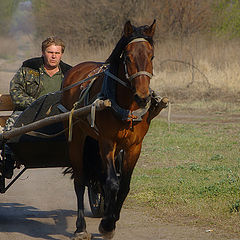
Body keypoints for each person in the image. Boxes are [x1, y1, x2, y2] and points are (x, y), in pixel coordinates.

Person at [1, 36, 72, 179]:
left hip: (59, 113)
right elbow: (16, 91)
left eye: (57, 53)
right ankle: (7, 163)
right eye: (50, 52)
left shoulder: (69, 73)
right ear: (43, 52)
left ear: (61, 54)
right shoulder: (29, 68)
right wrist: (34, 105)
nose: (53, 56)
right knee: (10, 129)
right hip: (28, 111)